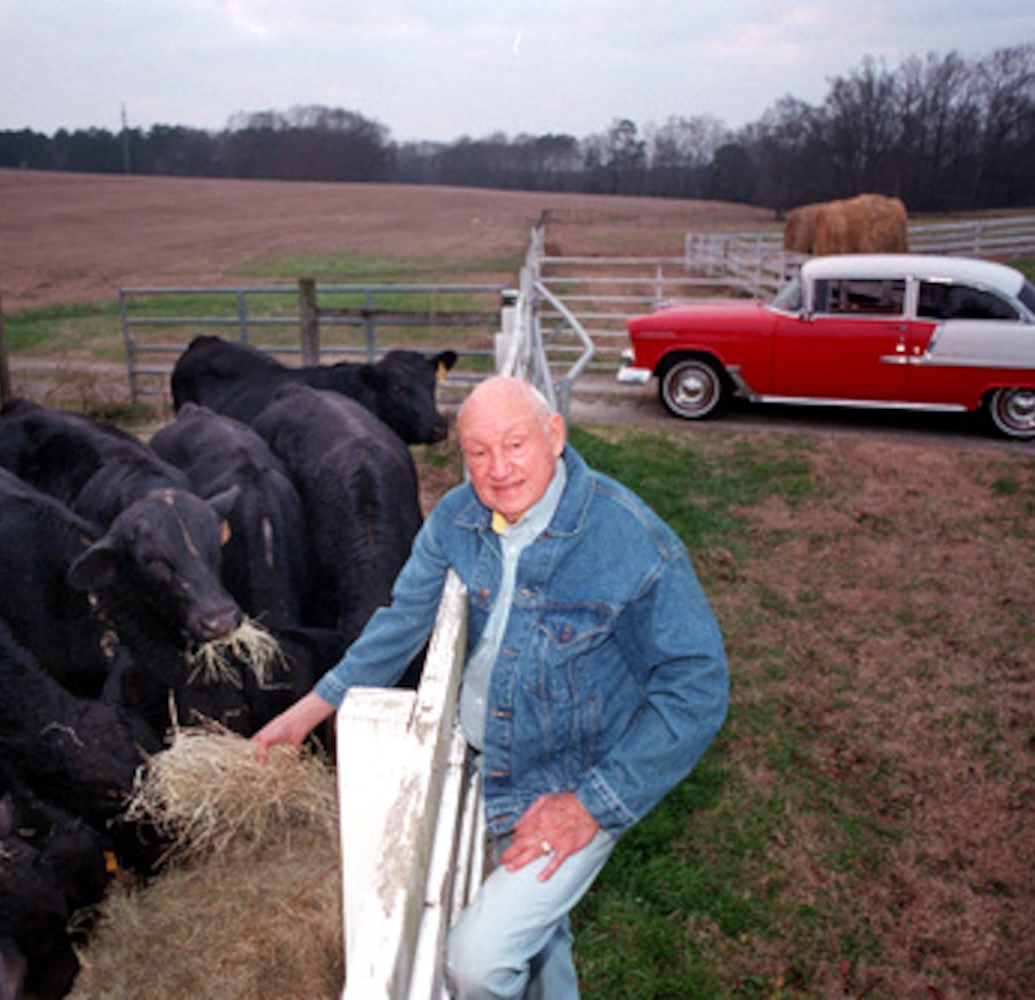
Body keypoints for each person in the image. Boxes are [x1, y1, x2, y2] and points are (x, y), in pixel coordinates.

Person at [252, 375, 728, 999]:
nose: (498, 470)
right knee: (540, 940)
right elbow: (402, 619)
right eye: (479, 452)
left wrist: (592, 805)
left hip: (573, 779)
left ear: (555, 436)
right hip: (491, 761)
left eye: (515, 444)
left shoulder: (629, 539)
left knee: (478, 959)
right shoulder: (459, 517)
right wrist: (313, 708)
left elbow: (698, 686)